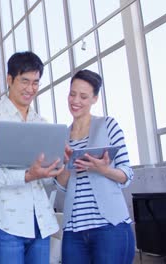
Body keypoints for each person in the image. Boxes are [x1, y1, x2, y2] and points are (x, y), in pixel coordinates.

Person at [0, 51, 65, 264]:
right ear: (9, 79)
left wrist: (56, 167)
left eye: (35, 82)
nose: (30, 89)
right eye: (24, 81)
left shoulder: (41, 123)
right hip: (8, 222)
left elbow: (44, 179)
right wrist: (26, 175)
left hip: (40, 222)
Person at [55, 69, 135, 264]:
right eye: (72, 94)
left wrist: (103, 169)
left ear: (95, 99)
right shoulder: (61, 136)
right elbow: (61, 185)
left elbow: (127, 174)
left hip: (109, 227)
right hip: (74, 230)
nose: (75, 101)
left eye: (83, 96)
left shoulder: (109, 126)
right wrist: (67, 165)